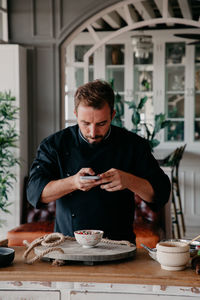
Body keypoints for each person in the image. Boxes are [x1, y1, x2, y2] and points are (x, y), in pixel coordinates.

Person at [27, 80, 171, 244]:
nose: (93, 132)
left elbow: (161, 193)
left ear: (113, 115)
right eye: (85, 123)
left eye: (101, 123)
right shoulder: (55, 145)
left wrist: (128, 180)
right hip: (68, 246)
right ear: (75, 114)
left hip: (119, 246)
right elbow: (34, 192)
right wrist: (73, 182)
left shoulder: (133, 145)